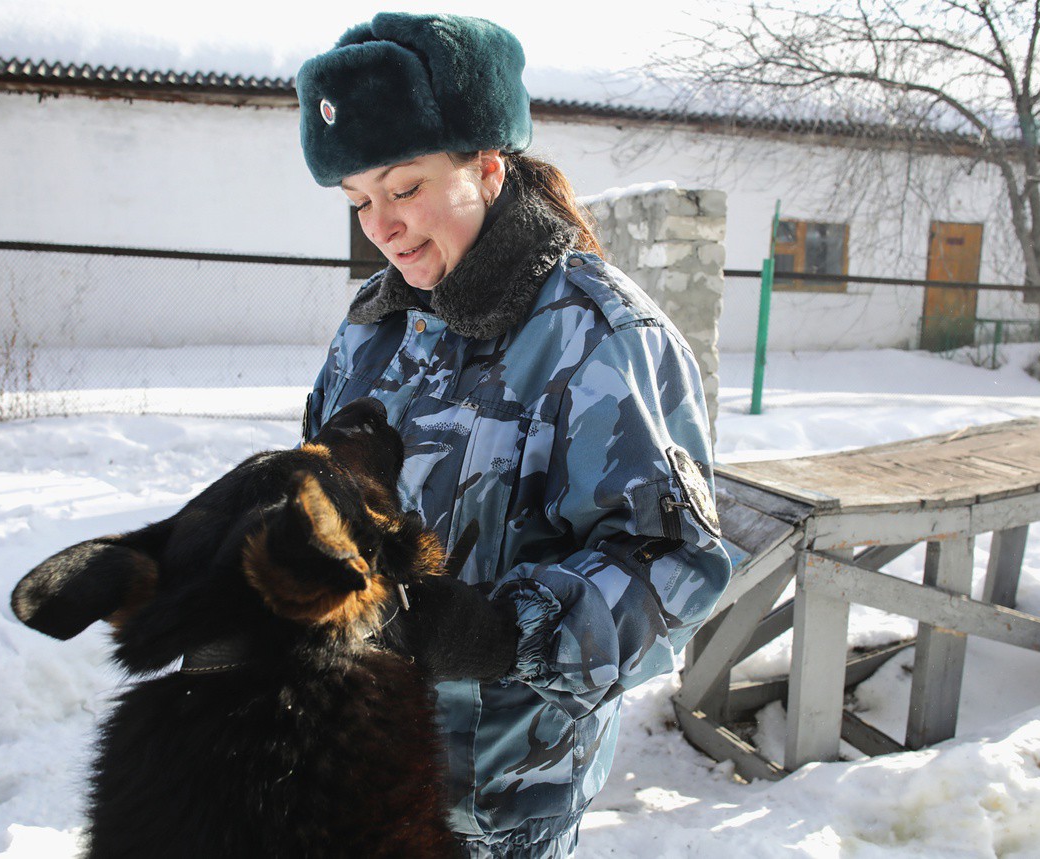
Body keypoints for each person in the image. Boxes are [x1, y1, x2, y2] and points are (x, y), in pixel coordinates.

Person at [296, 13, 731, 858]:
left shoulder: (599, 337)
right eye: (358, 201)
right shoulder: (373, 327)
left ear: (486, 165)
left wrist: (502, 630)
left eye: (403, 187)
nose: (379, 226)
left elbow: (677, 562)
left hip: (495, 803)